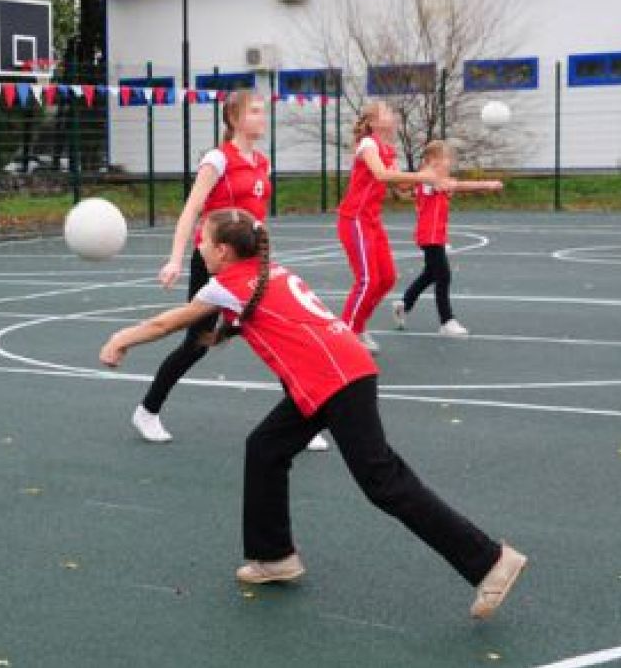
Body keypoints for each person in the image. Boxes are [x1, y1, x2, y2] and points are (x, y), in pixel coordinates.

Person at [99, 207, 526, 619]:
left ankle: (489, 560)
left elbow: (166, 323)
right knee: (265, 448)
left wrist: (121, 339)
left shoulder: (228, 283)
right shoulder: (265, 273)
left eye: (203, 241)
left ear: (224, 251)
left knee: (384, 481)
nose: (200, 248)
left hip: (336, 380)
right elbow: (263, 318)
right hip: (332, 375)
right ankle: (274, 556)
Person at [134, 90, 329, 449]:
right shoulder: (218, 159)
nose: (261, 117)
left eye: (262, 111)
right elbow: (191, 210)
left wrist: (266, 256)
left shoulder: (261, 162)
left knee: (278, 335)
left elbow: (258, 219)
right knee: (196, 344)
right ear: (234, 119)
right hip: (215, 262)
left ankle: (303, 419)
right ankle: (147, 411)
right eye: (254, 111)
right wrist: (176, 258)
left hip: (252, 265)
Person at [337, 102, 452, 353]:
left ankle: (358, 327)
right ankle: (346, 333)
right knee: (367, 280)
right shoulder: (368, 144)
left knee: (386, 278)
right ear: (373, 123)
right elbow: (381, 175)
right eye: (387, 111)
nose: (393, 114)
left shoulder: (389, 150)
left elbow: (400, 187)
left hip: (372, 221)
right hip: (354, 219)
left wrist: (430, 174)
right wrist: (423, 177)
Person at [393, 140, 503, 337]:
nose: (449, 163)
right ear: (432, 160)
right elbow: (459, 185)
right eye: (445, 159)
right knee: (443, 275)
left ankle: (404, 304)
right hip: (430, 235)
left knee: (430, 274)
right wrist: (487, 184)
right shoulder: (429, 178)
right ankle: (447, 321)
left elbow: (452, 186)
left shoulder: (433, 179)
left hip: (435, 235)